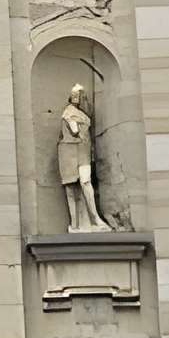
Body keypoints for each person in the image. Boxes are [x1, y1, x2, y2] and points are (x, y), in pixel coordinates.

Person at [57, 84, 103, 232]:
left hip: (80, 150)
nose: (85, 100)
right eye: (83, 97)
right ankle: (77, 223)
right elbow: (75, 130)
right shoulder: (70, 112)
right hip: (70, 151)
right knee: (73, 186)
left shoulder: (79, 113)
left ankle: (91, 220)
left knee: (84, 182)